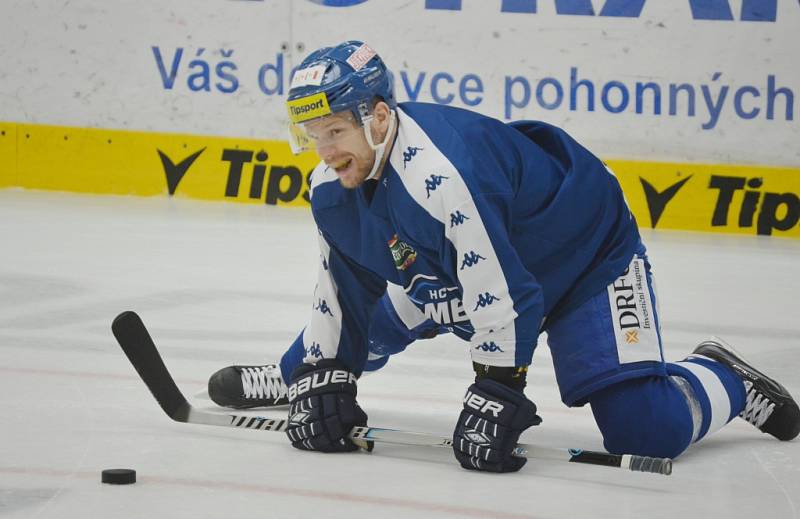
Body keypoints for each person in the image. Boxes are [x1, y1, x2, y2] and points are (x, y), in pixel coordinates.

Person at [208, 41, 799, 472]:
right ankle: (290, 376)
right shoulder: (333, 188)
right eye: (312, 135)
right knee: (369, 325)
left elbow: (506, 293)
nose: (322, 150)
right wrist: (320, 375)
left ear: (379, 117)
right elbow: (340, 293)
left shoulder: (445, 176)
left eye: (334, 131)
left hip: (583, 257)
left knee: (647, 430)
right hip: (474, 264)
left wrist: (498, 387)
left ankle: (723, 377)